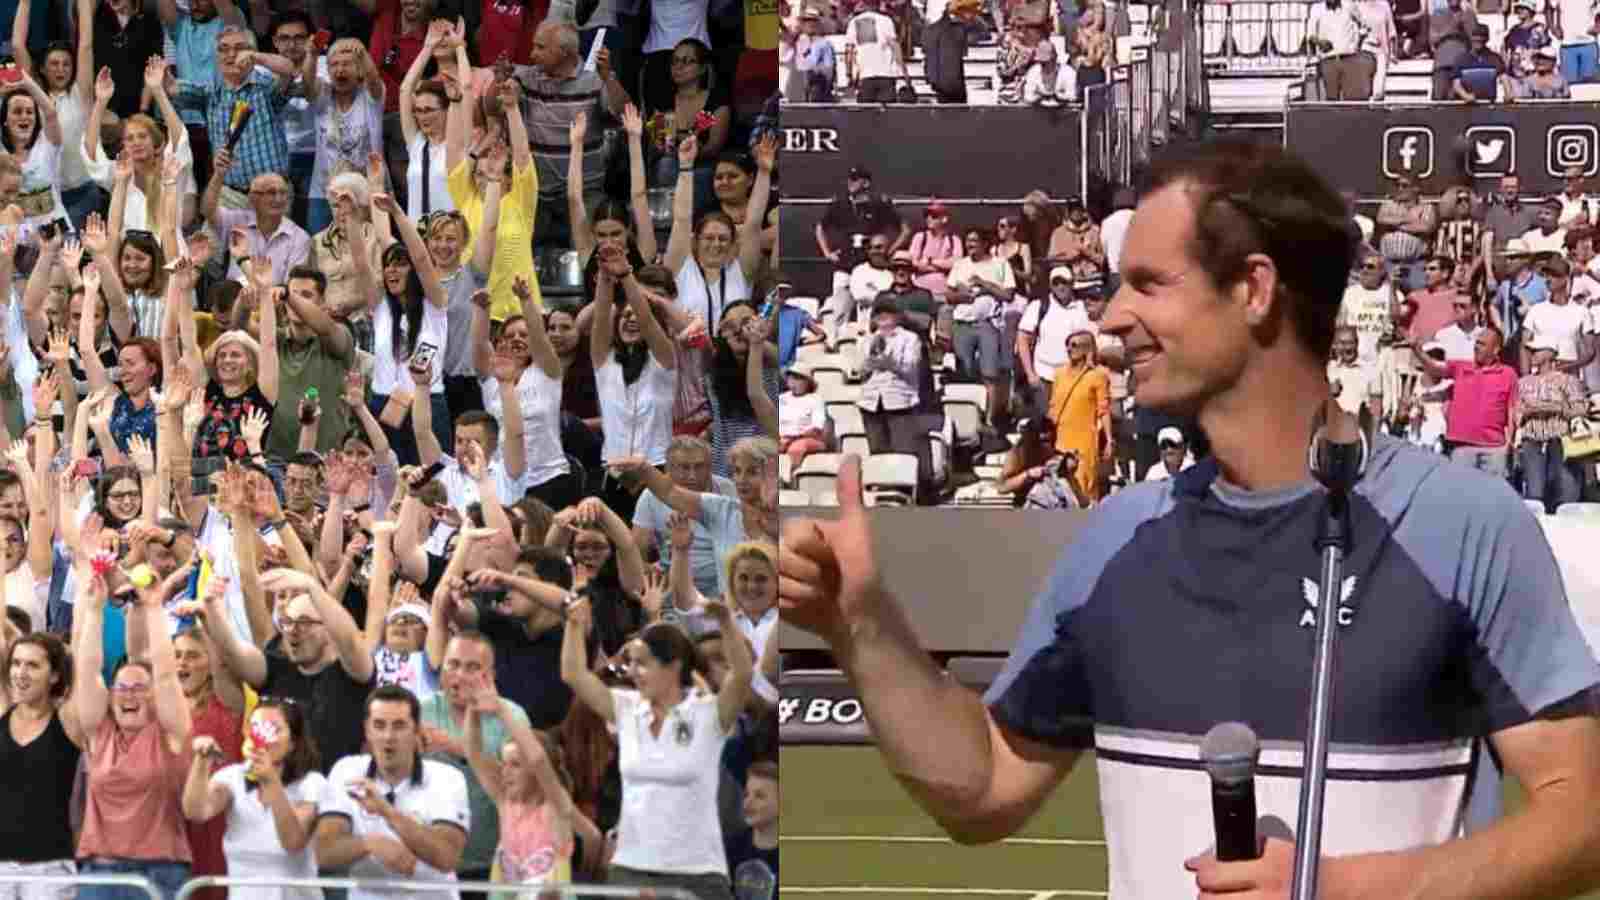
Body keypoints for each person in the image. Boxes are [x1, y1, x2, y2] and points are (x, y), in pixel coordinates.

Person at [778, 138, 1600, 899]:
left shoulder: (1463, 526)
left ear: (1254, 289)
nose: (1109, 318)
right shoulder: (1113, 539)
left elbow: (1583, 822)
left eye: (1147, 284)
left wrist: (1341, 888)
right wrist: (861, 627)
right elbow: (986, 788)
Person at [560, 597, 752, 900]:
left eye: (642, 663)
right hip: (630, 870)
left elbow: (742, 676)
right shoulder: (626, 708)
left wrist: (727, 623)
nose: (632, 672)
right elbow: (573, 674)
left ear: (673, 665)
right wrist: (573, 624)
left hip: (698, 873)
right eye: (630, 663)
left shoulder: (708, 713)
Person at [314, 685, 471, 900]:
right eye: (379, 725)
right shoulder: (346, 770)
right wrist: (370, 843)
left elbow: (446, 857)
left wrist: (387, 812)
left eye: (399, 726)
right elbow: (323, 852)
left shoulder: (448, 778)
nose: (388, 736)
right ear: (367, 730)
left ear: (416, 731)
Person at [181, 698, 326, 900]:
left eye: (273, 729)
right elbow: (196, 811)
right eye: (255, 727)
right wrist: (201, 762)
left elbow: (293, 841)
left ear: (293, 742)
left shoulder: (312, 783)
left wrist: (270, 781)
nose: (262, 737)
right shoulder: (232, 776)